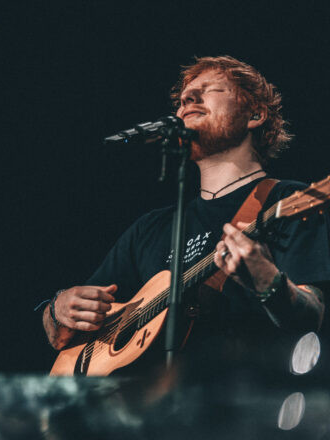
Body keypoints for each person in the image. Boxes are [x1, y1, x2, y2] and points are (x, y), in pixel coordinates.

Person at [42, 56, 330, 376]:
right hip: (141, 415)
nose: (187, 100)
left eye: (209, 90)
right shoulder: (150, 228)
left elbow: (311, 316)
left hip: (240, 411)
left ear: (255, 114)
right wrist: (58, 311)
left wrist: (268, 283)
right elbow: (65, 335)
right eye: (183, 99)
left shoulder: (286, 201)